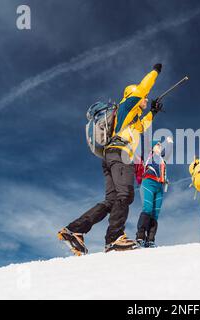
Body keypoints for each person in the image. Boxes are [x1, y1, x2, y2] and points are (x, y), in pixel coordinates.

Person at [58, 63, 164, 255]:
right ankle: (114, 238)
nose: (146, 99)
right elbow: (143, 87)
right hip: (120, 154)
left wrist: (153, 112)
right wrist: (155, 72)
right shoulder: (127, 104)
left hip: (110, 157)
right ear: (134, 95)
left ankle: (75, 230)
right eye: (145, 99)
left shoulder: (130, 118)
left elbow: (142, 125)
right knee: (125, 195)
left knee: (112, 201)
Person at [135, 136, 173, 248]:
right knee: (147, 208)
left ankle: (150, 240)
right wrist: (165, 142)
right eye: (158, 145)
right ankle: (140, 237)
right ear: (151, 147)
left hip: (159, 186)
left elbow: (168, 153)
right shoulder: (148, 155)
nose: (160, 147)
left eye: (160, 145)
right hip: (148, 183)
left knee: (155, 214)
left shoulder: (162, 159)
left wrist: (169, 143)